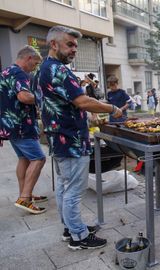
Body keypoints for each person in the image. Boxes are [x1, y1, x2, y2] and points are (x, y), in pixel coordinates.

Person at [36, 25, 123, 250]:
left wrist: (85, 119)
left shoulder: (43, 69)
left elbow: (59, 105)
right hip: (70, 140)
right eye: (70, 44)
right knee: (74, 190)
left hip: (60, 138)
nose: (75, 49)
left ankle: (70, 228)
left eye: (76, 45)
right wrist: (112, 108)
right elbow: (82, 101)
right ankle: (78, 237)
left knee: (66, 187)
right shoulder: (59, 70)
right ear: (54, 44)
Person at [0, 45, 47, 215]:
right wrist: (43, 99)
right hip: (21, 126)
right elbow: (24, 96)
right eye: (34, 64)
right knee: (39, 159)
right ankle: (25, 198)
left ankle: (24, 194)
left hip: (10, 126)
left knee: (24, 159)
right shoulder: (19, 73)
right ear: (28, 58)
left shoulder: (6, 72)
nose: (34, 68)